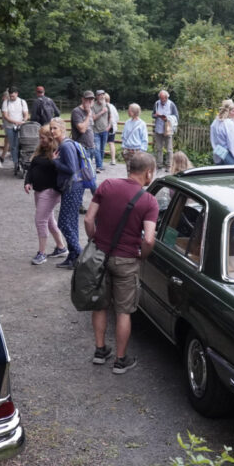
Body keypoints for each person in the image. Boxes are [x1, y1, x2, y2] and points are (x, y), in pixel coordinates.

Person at [84, 151, 159, 374]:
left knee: (100, 304)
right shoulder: (149, 201)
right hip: (126, 260)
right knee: (123, 311)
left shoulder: (106, 185)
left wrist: (94, 239)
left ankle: (100, 351)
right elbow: (148, 238)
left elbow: (88, 219)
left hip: (100, 255)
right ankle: (120, 360)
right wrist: (142, 255)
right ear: (148, 173)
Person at [50, 118, 95, 269]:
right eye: (51, 128)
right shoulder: (65, 144)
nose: (52, 131)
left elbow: (70, 168)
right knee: (72, 222)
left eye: (54, 128)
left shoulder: (65, 146)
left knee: (63, 223)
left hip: (72, 187)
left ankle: (80, 254)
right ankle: (72, 257)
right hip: (75, 187)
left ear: (62, 129)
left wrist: (54, 161)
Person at [24, 125, 67, 265]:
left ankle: (41, 253)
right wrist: (28, 181)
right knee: (48, 221)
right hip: (39, 190)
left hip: (50, 191)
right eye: (40, 137)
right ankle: (61, 248)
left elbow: (60, 169)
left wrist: (54, 161)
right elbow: (32, 168)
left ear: (50, 138)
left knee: (40, 221)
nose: (40, 140)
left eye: (42, 138)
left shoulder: (57, 151)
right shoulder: (40, 150)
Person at [1, 87, 29, 174]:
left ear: (17, 93)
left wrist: (23, 120)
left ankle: (23, 161)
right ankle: (15, 163)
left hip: (20, 126)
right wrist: (15, 122)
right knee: (13, 145)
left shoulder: (22, 102)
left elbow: (26, 113)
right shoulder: (6, 102)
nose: (11, 98)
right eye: (10, 96)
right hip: (10, 127)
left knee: (21, 144)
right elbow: (5, 116)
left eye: (13, 96)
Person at [152, 89, 178, 170]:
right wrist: (155, 115)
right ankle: (159, 164)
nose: (162, 100)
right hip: (158, 129)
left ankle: (168, 165)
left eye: (164, 98)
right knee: (159, 148)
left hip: (168, 129)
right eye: (161, 98)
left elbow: (176, 116)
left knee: (169, 149)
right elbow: (152, 114)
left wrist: (167, 118)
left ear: (167, 97)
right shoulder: (156, 103)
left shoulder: (171, 104)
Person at [210, 100, 234, 165]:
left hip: (218, 152)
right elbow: (232, 143)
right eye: (233, 111)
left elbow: (213, 140)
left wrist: (215, 149)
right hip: (229, 154)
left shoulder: (215, 122)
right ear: (228, 111)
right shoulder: (229, 123)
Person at [121, 103, 148, 170]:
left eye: (129, 110)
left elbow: (144, 139)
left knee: (137, 170)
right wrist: (124, 147)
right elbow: (123, 136)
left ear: (134, 112)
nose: (128, 111)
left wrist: (142, 151)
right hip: (127, 150)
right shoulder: (127, 122)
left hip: (137, 151)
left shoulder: (142, 124)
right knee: (129, 170)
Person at [91, 90, 111, 172]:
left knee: (102, 149)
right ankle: (99, 166)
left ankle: (100, 164)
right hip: (96, 131)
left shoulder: (106, 105)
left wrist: (109, 126)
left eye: (103, 95)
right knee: (97, 149)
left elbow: (110, 116)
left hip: (105, 130)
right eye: (99, 95)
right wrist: (102, 112)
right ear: (96, 96)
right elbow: (93, 118)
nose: (101, 97)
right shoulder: (93, 106)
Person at [71, 90, 96, 155]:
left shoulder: (90, 110)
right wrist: (88, 114)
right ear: (83, 99)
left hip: (91, 147)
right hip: (81, 147)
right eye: (88, 99)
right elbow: (82, 130)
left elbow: (90, 127)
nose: (90, 101)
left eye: (92, 99)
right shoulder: (76, 111)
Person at [106, 94, 119, 166]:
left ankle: (99, 159)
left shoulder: (104, 107)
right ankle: (113, 160)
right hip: (113, 128)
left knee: (101, 143)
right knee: (111, 143)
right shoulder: (113, 107)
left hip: (106, 127)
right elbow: (117, 117)